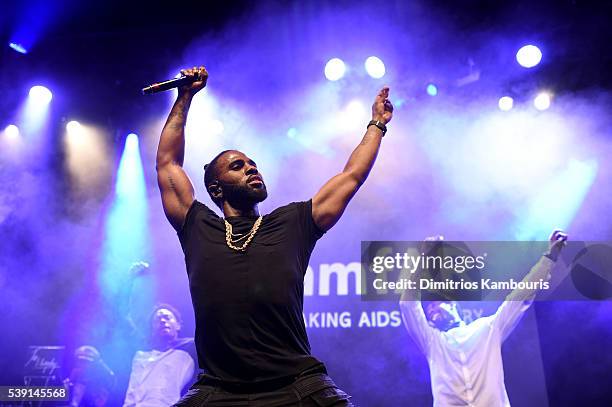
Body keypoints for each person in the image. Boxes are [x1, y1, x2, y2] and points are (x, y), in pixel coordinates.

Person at [155, 66, 393, 405]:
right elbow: (167, 163)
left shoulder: (293, 222)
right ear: (215, 188)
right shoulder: (196, 225)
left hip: (298, 386)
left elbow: (352, 176)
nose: (251, 167)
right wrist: (185, 97)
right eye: (237, 166)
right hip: (218, 391)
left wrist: (377, 125)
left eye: (253, 163)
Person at [399, 230, 568, 407]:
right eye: (429, 310)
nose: (432, 310)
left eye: (437, 304)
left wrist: (549, 258)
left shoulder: (486, 329)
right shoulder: (432, 341)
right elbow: (407, 304)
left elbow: (520, 296)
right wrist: (424, 259)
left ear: (454, 306)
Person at [123, 304, 195, 407]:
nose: (162, 321)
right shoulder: (140, 355)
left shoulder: (190, 347)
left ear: (178, 325)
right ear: (152, 329)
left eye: (167, 317)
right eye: (157, 320)